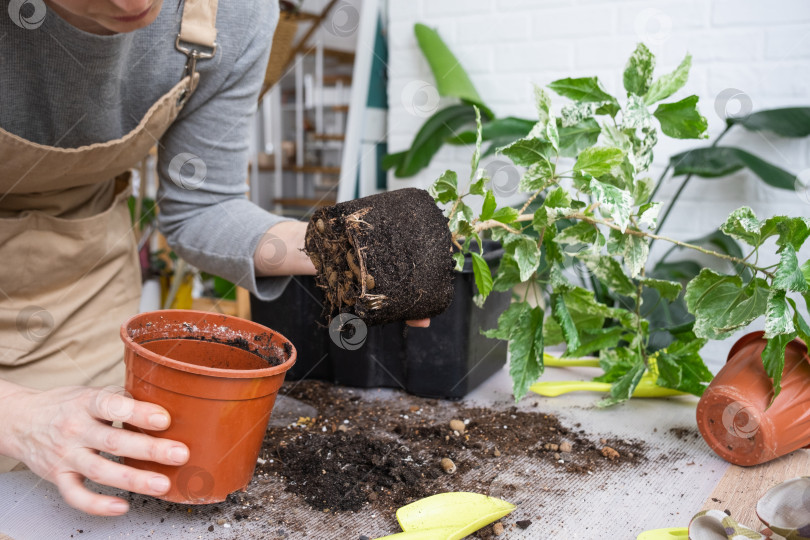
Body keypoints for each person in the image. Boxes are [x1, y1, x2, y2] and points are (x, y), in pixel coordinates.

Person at [0, 0, 427, 518]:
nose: (135, 4)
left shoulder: (235, 13)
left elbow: (204, 205)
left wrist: (337, 250)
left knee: (64, 502)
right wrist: (17, 417)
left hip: (74, 286)